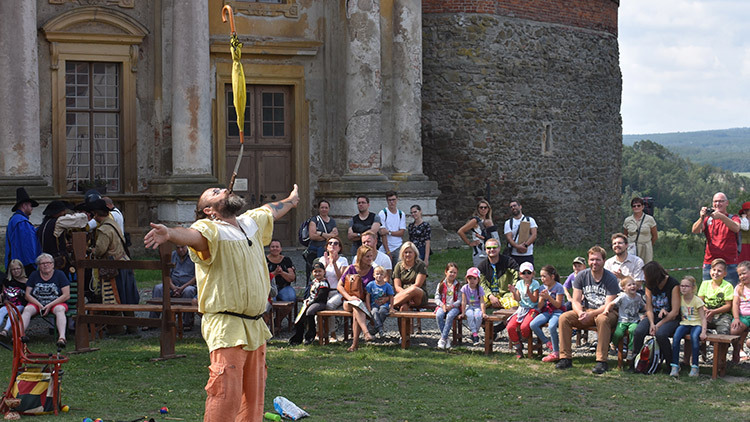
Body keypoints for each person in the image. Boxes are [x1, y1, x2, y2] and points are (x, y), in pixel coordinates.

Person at [143, 184, 299, 421]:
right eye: (215, 192)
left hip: (255, 327)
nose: (223, 189)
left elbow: (271, 210)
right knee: (226, 395)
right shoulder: (209, 229)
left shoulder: (250, 222)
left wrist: (291, 199)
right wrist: (170, 234)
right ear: (208, 210)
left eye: (221, 188)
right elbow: (191, 236)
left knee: (253, 400)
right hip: (226, 325)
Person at [556, 246, 619, 374]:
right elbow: (576, 300)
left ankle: (602, 361)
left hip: (607, 312)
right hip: (586, 310)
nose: (594, 263)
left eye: (597, 260)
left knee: (602, 319)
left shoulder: (610, 278)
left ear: (604, 261)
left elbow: (608, 305)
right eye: (591, 260)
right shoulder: (581, 276)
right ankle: (565, 358)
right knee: (564, 318)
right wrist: (580, 313)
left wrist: (591, 314)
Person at [630, 261, 681, 373]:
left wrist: (658, 325)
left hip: (670, 317)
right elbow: (649, 307)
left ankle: (670, 363)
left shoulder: (673, 284)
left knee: (661, 334)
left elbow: (675, 311)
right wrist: (652, 323)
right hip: (654, 315)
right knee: (639, 331)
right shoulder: (649, 286)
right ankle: (635, 361)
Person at [88, 199, 139, 308]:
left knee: (115, 299)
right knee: (125, 298)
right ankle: (130, 324)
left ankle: (116, 324)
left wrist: (92, 251)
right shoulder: (113, 224)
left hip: (114, 268)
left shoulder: (104, 229)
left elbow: (100, 250)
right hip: (122, 262)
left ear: (96, 214)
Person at [20, 253, 70, 348]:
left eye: (48, 263)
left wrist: (50, 305)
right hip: (37, 303)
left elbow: (66, 295)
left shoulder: (60, 275)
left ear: (53, 264)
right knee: (27, 310)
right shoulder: (34, 275)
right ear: (39, 266)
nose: (46, 265)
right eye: (42, 263)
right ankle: (19, 336)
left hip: (56, 303)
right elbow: (27, 295)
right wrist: (39, 305)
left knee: (60, 310)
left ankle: (62, 338)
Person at [692, 192, 741, 286]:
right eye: (715, 201)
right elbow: (695, 230)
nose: (718, 204)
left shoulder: (733, 217)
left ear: (727, 203)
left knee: (729, 293)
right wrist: (702, 217)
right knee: (707, 293)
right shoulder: (708, 219)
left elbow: (736, 228)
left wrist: (721, 217)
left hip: (729, 263)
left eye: (721, 201)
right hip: (710, 263)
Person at [149, 244, 197, 330]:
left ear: (187, 247)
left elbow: (196, 277)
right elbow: (166, 274)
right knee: (158, 288)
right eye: (178, 248)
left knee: (188, 291)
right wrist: (173, 287)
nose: (180, 250)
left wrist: (182, 288)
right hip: (173, 284)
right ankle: (152, 321)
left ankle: (187, 322)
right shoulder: (172, 255)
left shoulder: (193, 256)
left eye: (183, 247)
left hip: (188, 285)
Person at [338, 245, 376, 352]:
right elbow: (339, 286)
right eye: (367, 256)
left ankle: (355, 345)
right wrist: (349, 297)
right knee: (355, 304)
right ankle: (366, 333)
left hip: (363, 302)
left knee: (357, 310)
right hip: (348, 301)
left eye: (371, 256)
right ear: (361, 257)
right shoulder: (351, 268)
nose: (370, 259)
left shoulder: (372, 270)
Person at [670, 275, 706, 378]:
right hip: (684, 323)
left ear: (693, 288)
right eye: (682, 286)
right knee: (676, 337)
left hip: (696, 324)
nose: (683, 288)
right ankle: (675, 365)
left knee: (695, 338)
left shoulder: (697, 300)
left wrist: (703, 331)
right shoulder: (679, 299)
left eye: (687, 286)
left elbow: (703, 318)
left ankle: (695, 366)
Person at [603, 277, 644, 363]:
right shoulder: (622, 297)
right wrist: (606, 310)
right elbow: (612, 303)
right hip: (623, 320)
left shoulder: (638, 297)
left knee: (633, 331)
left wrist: (647, 312)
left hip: (634, 320)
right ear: (623, 288)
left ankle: (630, 350)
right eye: (629, 285)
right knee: (618, 333)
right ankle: (613, 343)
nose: (633, 286)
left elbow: (644, 306)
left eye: (634, 284)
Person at [530, 265, 566, 363]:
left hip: (557, 312)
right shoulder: (542, 287)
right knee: (533, 324)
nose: (542, 279)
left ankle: (556, 352)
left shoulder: (559, 287)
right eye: (541, 276)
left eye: (545, 276)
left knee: (552, 326)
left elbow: (558, 305)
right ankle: (547, 342)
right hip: (546, 311)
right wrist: (541, 298)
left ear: (552, 276)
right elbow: (540, 306)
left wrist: (549, 297)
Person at [289, 261, 329, 346]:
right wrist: (306, 300)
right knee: (299, 318)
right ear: (312, 273)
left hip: (319, 303)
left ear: (324, 272)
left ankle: (310, 335)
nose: (317, 273)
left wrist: (310, 302)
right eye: (315, 271)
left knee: (309, 312)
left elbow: (321, 296)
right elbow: (307, 293)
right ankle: (298, 338)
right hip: (309, 302)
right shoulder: (312, 282)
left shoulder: (324, 283)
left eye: (319, 271)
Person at [477, 238, 520, 317]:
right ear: (485, 250)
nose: (492, 250)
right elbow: (481, 284)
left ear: (499, 248)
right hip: (489, 295)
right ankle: (483, 326)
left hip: (506, 294)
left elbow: (517, 275)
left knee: (515, 305)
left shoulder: (509, 262)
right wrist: (490, 296)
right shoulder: (482, 266)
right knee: (476, 305)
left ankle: (507, 325)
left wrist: (513, 290)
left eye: (494, 247)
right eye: (489, 248)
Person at [507, 262, 540, 359]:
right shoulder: (519, 283)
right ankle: (518, 347)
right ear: (520, 274)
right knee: (510, 327)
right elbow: (517, 299)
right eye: (524, 273)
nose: (526, 275)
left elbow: (534, 299)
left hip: (532, 309)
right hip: (521, 309)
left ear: (533, 274)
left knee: (525, 327)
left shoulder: (535, 284)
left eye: (528, 272)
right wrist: (513, 292)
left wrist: (528, 292)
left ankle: (523, 338)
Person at [5, 187, 41, 276]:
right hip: (24, 265)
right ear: (24, 205)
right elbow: (27, 246)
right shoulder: (21, 222)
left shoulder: (15, 220)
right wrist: (33, 264)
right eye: (30, 205)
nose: (32, 208)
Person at [697, 258, 733, 336]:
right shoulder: (705, 284)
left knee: (724, 330)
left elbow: (728, 305)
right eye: (714, 270)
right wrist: (706, 311)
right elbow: (699, 301)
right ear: (710, 271)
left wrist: (713, 312)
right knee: (695, 327)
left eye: (719, 271)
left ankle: (721, 346)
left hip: (722, 315)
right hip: (705, 313)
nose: (716, 273)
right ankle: (699, 346)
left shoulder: (728, 286)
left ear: (725, 274)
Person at [457, 199, 497, 267]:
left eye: (485, 207)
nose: (483, 209)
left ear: (488, 209)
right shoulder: (475, 220)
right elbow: (460, 231)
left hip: (489, 248)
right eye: (481, 207)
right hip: (480, 250)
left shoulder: (488, 221)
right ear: (478, 209)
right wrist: (469, 243)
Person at [392, 242, 429, 311]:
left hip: (418, 295)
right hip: (402, 294)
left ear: (415, 253)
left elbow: (417, 284)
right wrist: (407, 296)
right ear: (402, 254)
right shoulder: (398, 266)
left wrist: (408, 295)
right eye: (405, 252)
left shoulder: (420, 265)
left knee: (413, 289)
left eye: (410, 252)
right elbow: (397, 286)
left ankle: (390, 306)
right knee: (403, 307)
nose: (408, 254)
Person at [435, 262, 461, 350]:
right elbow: (437, 297)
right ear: (446, 272)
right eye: (451, 272)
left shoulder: (458, 286)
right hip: (443, 306)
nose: (452, 274)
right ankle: (446, 338)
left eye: (455, 273)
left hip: (454, 307)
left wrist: (452, 306)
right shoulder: (441, 284)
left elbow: (460, 300)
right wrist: (442, 305)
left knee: (450, 316)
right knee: (439, 315)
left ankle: (442, 339)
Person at [623, 197, 658, 263]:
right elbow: (625, 236)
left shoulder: (650, 219)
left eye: (638, 205)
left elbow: (655, 236)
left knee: (646, 267)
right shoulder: (627, 220)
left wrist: (649, 244)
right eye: (634, 206)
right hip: (632, 248)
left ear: (642, 207)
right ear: (632, 208)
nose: (636, 207)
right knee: (631, 266)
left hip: (646, 248)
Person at [503, 200, 538, 266]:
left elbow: (534, 235)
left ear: (520, 207)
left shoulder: (530, 220)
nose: (513, 208)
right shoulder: (508, 223)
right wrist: (518, 247)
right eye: (511, 207)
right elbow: (509, 238)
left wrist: (525, 245)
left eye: (515, 205)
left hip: (528, 253)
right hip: (514, 254)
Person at [460, 267, 487, 345]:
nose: (472, 280)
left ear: (478, 279)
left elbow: (482, 302)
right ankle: (475, 335)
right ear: (467, 279)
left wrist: (484, 312)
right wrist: (462, 312)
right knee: (470, 315)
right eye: (470, 278)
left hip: (477, 307)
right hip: (469, 306)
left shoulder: (480, 288)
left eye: (474, 278)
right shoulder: (465, 288)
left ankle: (474, 332)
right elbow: (464, 301)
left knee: (478, 316)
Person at [378, 191, 406, 264]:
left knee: (398, 271)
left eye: (393, 200)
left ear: (397, 200)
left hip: (398, 246)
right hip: (386, 247)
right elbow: (382, 233)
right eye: (389, 200)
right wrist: (388, 251)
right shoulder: (383, 213)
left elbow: (402, 232)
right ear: (387, 201)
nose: (391, 202)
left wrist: (388, 232)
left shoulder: (401, 214)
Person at [730, 261, 750, 363]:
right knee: (734, 330)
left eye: (744, 273)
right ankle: (737, 349)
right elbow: (735, 304)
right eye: (739, 274)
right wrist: (736, 318)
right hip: (743, 315)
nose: (742, 276)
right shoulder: (738, 288)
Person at [365, 266, 394, 337]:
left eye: (381, 274)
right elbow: (367, 296)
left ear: (384, 275)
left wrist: (391, 307)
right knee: (374, 312)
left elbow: (391, 297)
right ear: (373, 275)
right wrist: (368, 307)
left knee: (382, 311)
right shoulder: (370, 285)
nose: (379, 276)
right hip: (373, 305)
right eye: (377, 274)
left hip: (384, 305)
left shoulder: (387, 286)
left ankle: (375, 328)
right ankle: (380, 328)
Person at [0, 262, 20, 338]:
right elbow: (4, 293)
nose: (16, 271)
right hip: (8, 303)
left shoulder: (26, 282)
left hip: (20, 305)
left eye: (18, 268)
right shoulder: (7, 281)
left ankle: (5, 330)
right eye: (13, 269)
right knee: (1, 311)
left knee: (13, 312)